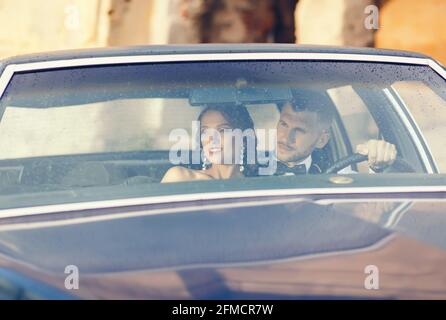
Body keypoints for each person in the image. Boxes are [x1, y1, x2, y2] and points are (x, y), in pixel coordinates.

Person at [273, 89, 397, 175]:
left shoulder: (337, 172)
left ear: (321, 140)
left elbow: (369, 205)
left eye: (300, 130)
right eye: (284, 124)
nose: (286, 138)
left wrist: (378, 160)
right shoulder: (254, 163)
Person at [161, 105, 257, 183]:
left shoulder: (257, 186)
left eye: (222, 130)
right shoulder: (180, 178)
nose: (211, 139)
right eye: (205, 132)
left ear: (244, 139)